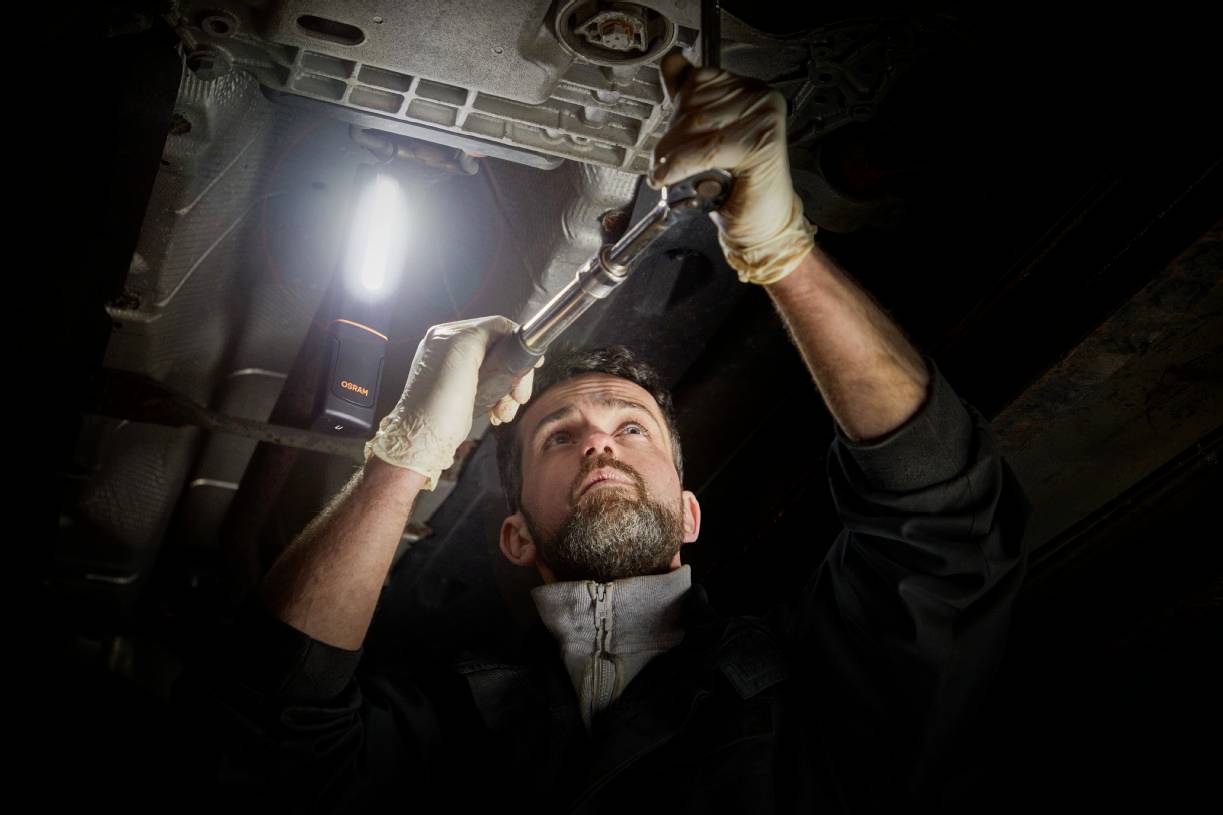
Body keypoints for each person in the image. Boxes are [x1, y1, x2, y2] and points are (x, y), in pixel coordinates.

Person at [174, 53, 1032, 812]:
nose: (600, 442)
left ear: (689, 513)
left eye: (632, 427)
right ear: (515, 534)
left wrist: (784, 251)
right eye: (558, 434)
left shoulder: (806, 694)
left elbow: (943, 523)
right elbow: (264, 746)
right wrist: (402, 458)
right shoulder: (451, 727)